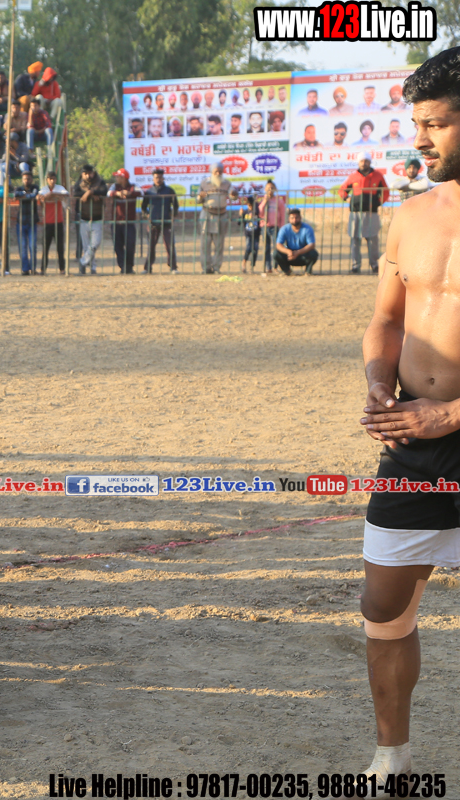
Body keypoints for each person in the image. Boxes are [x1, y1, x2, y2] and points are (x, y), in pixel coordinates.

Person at [354, 48, 460, 784]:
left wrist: (450, 414)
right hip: (412, 447)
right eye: (416, 124)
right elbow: (387, 320)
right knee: (382, 606)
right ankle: (392, 759)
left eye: (436, 124)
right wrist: (377, 381)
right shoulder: (412, 214)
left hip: (442, 425)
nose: (419, 140)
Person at [340, 152, 389, 273]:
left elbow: (386, 191)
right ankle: (355, 266)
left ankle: (375, 265)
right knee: (355, 239)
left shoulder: (378, 176)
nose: (364, 163)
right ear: (358, 162)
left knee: (373, 240)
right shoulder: (353, 176)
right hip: (355, 213)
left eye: (366, 161)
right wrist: (347, 198)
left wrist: (378, 202)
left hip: (371, 213)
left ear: (370, 162)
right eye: (362, 161)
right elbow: (342, 190)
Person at [197, 162, 236, 274]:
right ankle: (206, 267)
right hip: (207, 215)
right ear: (211, 172)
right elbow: (197, 200)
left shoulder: (227, 183)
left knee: (219, 244)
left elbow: (233, 197)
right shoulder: (204, 183)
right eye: (216, 171)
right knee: (205, 243)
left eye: (220, 171)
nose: (218, 173)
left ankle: (216, 267)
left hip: (221, 216)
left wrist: (234, 194)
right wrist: (200, 196)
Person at [141, 167, 178, 274]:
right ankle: (147, 268)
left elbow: (175, 205)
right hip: (153, 222)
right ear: (153, 179)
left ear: (163, 178)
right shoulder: (149, 191)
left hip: (166, 221)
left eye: (160, 177)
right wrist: (147, 215)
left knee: (169, 245)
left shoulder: (169, 190)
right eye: (156, 177)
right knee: (151, 246)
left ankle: (173, 267)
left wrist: (173, 215)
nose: (158, 179)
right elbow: (143, 207)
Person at [106, 168, 139, 274]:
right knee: (118, 246)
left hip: (129, 222)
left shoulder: (133, 186)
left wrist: (129, 193)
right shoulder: (114, 186)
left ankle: (129, 266)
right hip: (116, 222)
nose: (116, 178)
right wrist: (117, 193)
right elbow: (108, 193)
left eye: (118, 176)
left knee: (130, 245)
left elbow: (141, 192)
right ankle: (123, 267)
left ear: (124, 178)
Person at [75, 164, 107, 274]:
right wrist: (89, 194)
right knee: (86, 246)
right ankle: (92, 268)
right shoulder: (79, 183)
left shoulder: (100, 182)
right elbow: (76, 193)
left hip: (97, 218)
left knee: (94, 244)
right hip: (84, 217)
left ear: (93, 173)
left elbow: (104, 191)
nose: (88, 176)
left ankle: (82, 262)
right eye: (85, 174)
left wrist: (91, 192)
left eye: (90, 173)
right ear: (82, 174)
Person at [38, 171, 68, 274]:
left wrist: (52, 194)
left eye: (54, 179)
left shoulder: (59, 188)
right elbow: (39, 197)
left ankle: (62, 269)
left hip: (58, 221)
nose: (52, 181)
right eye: (50, 179)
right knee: (45, 247)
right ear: (47, 180)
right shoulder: (44, 189)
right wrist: (49, 196)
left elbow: (66, 194)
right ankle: (43, 269)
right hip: (47, 222)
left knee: (60, 247)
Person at [273, 207, 317, 275]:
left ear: (300, 218)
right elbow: (278, 245)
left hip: (302, 255)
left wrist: (298, 252)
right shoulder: (284, 229)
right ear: (289, 219)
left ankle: (308, 271)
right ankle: (287, 271)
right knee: (276, 253)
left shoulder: (307, 229)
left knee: (313, 253)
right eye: (292, 218)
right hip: (289, 255)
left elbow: (311, 245)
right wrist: (288, 251)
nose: (294, 220)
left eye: (296, 217)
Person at [258, 179, 287, 274]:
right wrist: (264, 201)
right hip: (265, 227)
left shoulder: (279, 201)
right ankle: (268, 267)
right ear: (265, 189)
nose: (270, 190)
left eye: (272, 188)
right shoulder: (263, 200)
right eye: (268, 188)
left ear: (275, 189)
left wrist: (282, 227)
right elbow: (260, 213)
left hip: (275, 227)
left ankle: (275, 267)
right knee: (266, 248)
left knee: (276, 247)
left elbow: (282, 215)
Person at [15, 170, 40, 274]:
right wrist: (27, 195)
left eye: (28, 179)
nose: (27, 180)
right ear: (22, 180)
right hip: (21, 221)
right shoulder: (19, 188)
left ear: (31, 179)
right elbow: (16, 194)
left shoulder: (35, 187)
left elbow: (34, 194)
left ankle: (33, 268)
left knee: (32, 246)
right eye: (25, 179)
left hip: (32, 221)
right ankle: (25, 269)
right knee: (23, 247)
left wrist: (24, 196)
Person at [239, 195, 260, 273]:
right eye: (249, 205)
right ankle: (244, 263)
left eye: (252, 205)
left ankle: (252, 266)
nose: (250, 207)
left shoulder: (257, 212)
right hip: (248, 233)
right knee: (248, 248)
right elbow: (239, 222)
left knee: (255, 250)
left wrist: (255, 214)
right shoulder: (245, 212)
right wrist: (240, 215)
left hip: (256, 233)